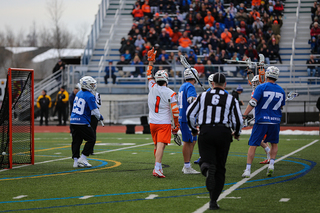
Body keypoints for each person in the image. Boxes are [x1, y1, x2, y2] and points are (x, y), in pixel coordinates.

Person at [186, 72, 243, 210]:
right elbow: (238, 120)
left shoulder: (203, 96)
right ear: (225, 84)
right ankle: (213, 201)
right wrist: (236, 132)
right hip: (223, 132)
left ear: (212, 84)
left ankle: (206, 168)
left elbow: (190, 114)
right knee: (220, 168)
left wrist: (193, 129)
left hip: (206, 131)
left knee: (206, 159)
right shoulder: (230, 98)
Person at [242, 66, 285, 178]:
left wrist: (244, 115)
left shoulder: (261, 87)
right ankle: (271, 165)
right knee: (274, 143)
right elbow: (281, 107)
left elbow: (253, 103)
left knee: (253, 145)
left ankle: (248, 169)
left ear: (267, 75)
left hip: (261, 121)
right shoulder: (281, 90)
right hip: (275, 121)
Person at [146, 47, 180, 178]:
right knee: (161, 145)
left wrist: (150, 62)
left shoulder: (152, 86)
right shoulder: (170, 92)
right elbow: (175, 111)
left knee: (157, 145)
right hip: (163, 122)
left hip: (152, 122)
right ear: (166, 79)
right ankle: (157, 168)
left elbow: (149, 74)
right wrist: (176, 125)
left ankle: (158, 166)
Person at [70, 76, 104, 168]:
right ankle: (83, 157)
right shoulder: (89, 95)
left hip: (73, 120)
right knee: (91, 138)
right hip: (82, 121)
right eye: (92, 84)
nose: (93, 86)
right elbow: (95, 110)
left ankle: (75, 161)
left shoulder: (79, 93)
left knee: (76, 141)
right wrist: (100, 117)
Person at [178, 68, 201, 174]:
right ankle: (187, 166)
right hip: (187, 118)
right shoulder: (190, 86)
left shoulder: (183, 86)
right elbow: (191, 100)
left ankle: (187, 164)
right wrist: (202, 99)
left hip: (186, 117)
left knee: (193, 140)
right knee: (187, 142)